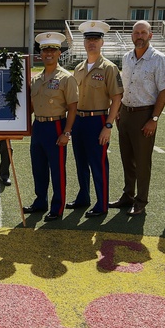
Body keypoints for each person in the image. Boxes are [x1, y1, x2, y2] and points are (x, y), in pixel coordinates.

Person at [111, 20, 165, 216]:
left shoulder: (159, 59)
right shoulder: (127, 57)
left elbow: (164, 90)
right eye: (136, 33)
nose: (139, 36)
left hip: (144, 114)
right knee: (126, 159)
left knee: (142, 161)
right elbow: (124, 86)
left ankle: (141, 200)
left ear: (150, 35)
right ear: (132, 35)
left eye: (143, 33)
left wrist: (153, 119)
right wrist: (119, 110)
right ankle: (127, 195)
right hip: (126, 114)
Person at [69, 21, 123, 218]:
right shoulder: (79, 68)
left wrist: (108, 126)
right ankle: (84, 196)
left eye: (95, 39)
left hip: (97, 120)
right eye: (88, 39)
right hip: (79, 121)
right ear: (84, 43)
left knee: (98, 164)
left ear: (102, 42)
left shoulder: (109, 68)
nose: (92, 42)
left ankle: (102, 204)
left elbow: (117, 98)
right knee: (80, 162)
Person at [22, 32, 78, 222]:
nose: (48, 54)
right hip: (38, 126)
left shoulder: (66, 78)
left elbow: (73, 108)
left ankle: (58, 206)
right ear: (40, 52)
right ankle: (40, 201)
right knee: (38, 168)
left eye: (53, 50)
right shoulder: (36, 79)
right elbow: (30, 106)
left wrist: (67, 132)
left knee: (57, 169)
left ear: (59, 52)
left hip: (56, 126)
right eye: (45, 50)